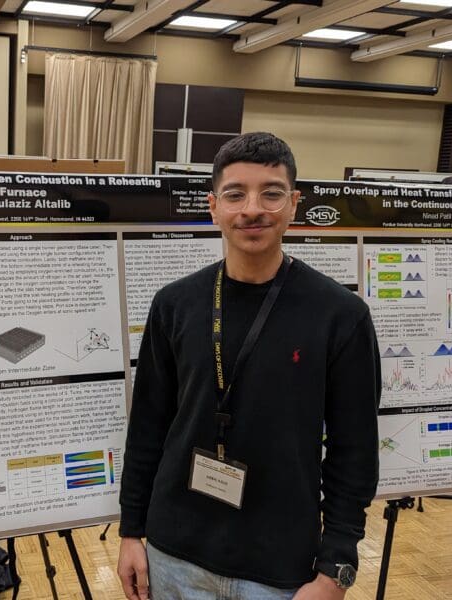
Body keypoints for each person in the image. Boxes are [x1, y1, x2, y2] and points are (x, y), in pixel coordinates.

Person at [118, 132, 381, 600]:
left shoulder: (340, 315)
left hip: (280, 570)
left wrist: (336, 568)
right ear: (214, 206)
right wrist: (131, 532)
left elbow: (355, 451)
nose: (253, 208)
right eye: (235, 193)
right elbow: (147, 427)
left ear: (294, 204)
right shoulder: (175, 304)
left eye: (271, 193)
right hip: (173, 554)